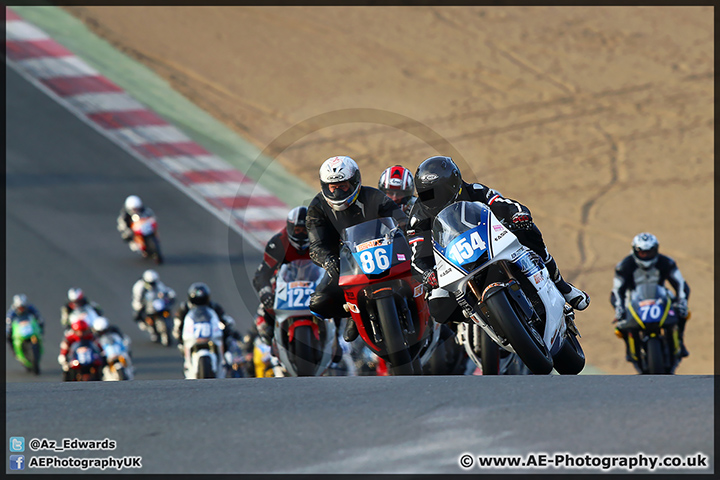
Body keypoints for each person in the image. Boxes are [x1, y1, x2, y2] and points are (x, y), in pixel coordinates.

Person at [407, 156, 590, 327]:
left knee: (527, 230)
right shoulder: (418, 218)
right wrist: (426, 273)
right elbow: (416, 258)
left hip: (488, 244)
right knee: (437, 307)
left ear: (454, 185)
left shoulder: (475, 191)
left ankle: (562, 286)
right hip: (453, 262)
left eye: (437, 192)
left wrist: (518, 214)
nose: (431, 199)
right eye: (425, 194)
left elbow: (503, 204)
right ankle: (481, 317)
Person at [306, 155, 407, 343]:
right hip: (344, 262)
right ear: (324, 186)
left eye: (343, 186)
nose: (337, 193)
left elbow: (401, 220)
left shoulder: (373, 196)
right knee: (318, 304)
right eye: (332, 187)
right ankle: (354, 312)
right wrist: (328, 260)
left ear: (354, 182)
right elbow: (316, 245)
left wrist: (406, 235)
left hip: (383, 252)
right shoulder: (317, 208)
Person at [611, 232, 691, 358]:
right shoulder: (624, 266)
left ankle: (679, 340)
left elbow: (680, 284)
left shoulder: (667, 262)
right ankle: (630, 348)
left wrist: (682, 301)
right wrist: (619, 308)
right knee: (622, 323)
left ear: (656, 250)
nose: (646, 255)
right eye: (642, 252)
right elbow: (617, 290)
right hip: (633, 297)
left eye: (649, 252)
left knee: (682, 313)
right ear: (635, 251)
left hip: (660, 295)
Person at [252, 206, 311, 344]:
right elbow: (262, 274)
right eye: (297, 230)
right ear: (290, 229)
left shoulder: (321, 239)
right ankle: (275, 342)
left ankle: (338, 336)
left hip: (315, 284)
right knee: (263, 319)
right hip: (286, 286)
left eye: (305, 230)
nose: (301, 234)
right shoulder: (278, 243)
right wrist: (265, 293)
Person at [172, 282, 240, 354]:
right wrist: (178, 334)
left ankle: (226, 358)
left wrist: (227, 324)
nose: (199, 304)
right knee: (180, 342)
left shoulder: (213, 306)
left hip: (211, 334)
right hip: (192, 335)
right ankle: (188, 361)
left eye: (202, 301)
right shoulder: (184, 308)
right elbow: (177, 323)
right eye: (197, 301)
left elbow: (224, 318)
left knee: (229, 338)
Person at [58, 316, 104, 381]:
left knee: (99, 364)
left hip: (90, 357)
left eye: (83, 331)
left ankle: (99, 378)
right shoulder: (70, 338)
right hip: (75, 358)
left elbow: (99, 346)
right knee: (66, 368)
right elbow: (64, 348)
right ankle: (68, 382)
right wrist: (63, 357)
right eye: (79, 331)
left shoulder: (92, 336)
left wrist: (101, 354)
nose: (81, 333)